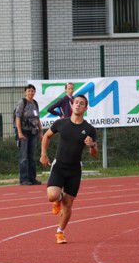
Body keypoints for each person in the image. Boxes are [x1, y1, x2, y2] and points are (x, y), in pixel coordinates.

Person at [40, 95, 97, 244]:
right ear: (72, 106)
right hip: (59, 166)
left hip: (74, 170)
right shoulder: (61, 123)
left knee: (68, 204)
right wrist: (43, 154)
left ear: (85, 108)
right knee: (52, 196)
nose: (78, 105)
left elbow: (94, 154)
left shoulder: (89, 129)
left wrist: (91, 146)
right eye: (76, 102)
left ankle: (60, 232)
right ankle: (57, 200)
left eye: (82, 103)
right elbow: (46, 136)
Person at [15, 84, 43, 185]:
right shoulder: (22, 102)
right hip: (24, 132)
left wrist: (41, 131)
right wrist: (19, 132)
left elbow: (37, 118)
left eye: (32, 91)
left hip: (34, 132)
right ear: (25, 92)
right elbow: (17, 117)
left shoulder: (35, 103)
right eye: (29, 91)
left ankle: (32, 178)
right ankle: (24, 179)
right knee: (24, 156)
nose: (31, 92)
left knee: (32, 156)